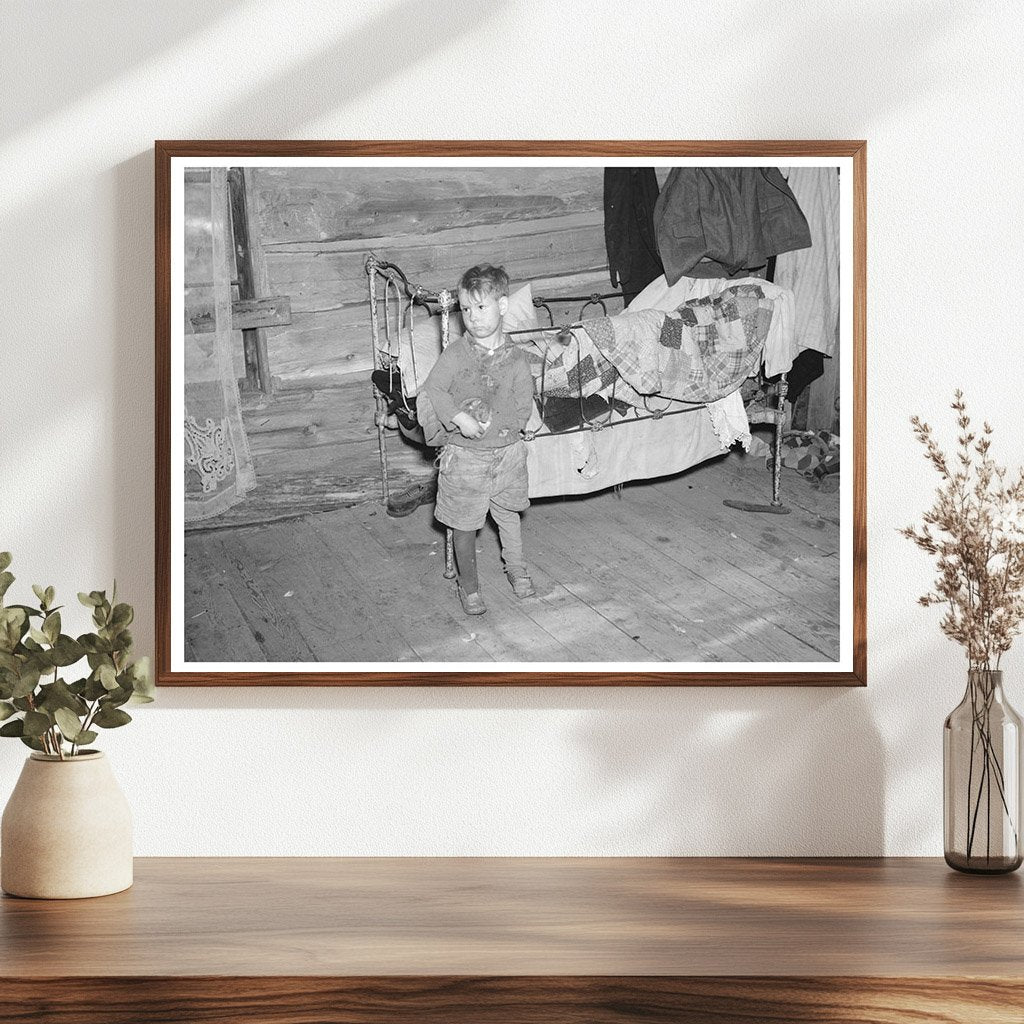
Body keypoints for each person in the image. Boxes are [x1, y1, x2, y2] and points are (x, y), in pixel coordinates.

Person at [420, 264, 537, 615]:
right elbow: (435, 388)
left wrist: (508, 428)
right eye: (466, 309)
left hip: (507, 455)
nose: (472, 317)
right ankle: (469, 586)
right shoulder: (457, 354)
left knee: (509, 516)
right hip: (466, 455)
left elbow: (523, 402)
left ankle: (516, 568)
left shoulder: (516, 358)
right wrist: (458, 418)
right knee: (463, 522)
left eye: (481, 307)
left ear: (502, 307)